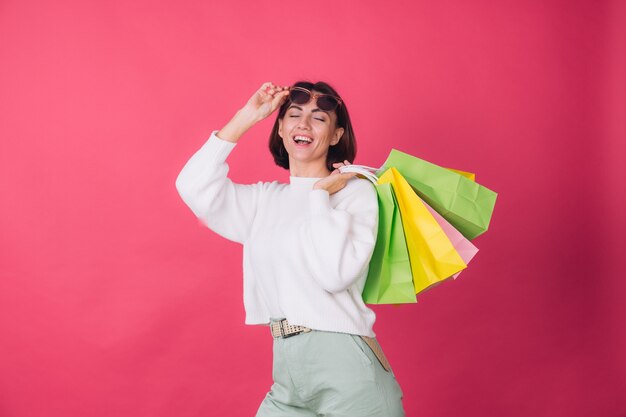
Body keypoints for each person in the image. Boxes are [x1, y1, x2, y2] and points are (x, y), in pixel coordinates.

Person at [175, 81, 405, 416]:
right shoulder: (263, 201)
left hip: (348, 370)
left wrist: (320, 196)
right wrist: (245, 118)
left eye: (319, 118)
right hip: (287, 372)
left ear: (337, 135)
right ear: (281, 128)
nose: (304, 124)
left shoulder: (356, 194)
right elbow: (192, 186)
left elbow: (334, 275)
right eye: (294, 115)